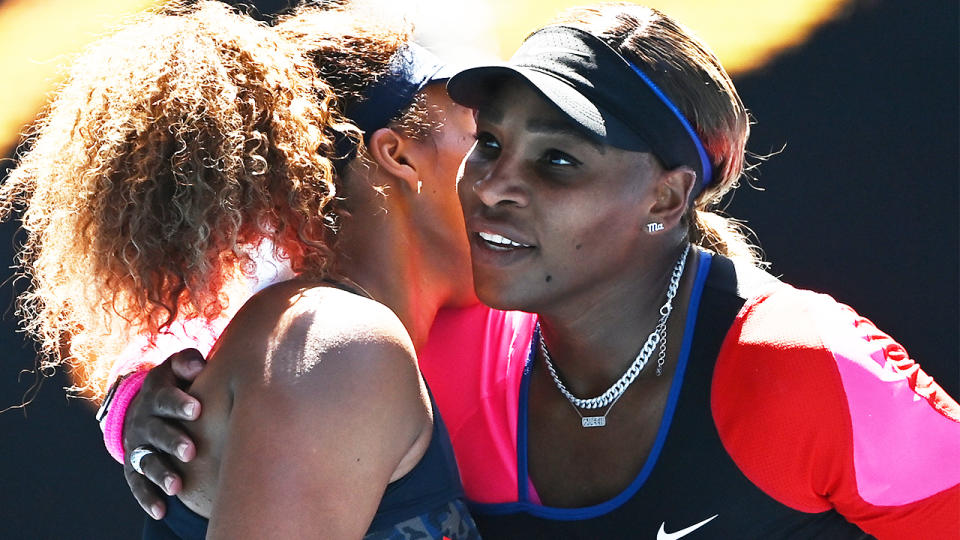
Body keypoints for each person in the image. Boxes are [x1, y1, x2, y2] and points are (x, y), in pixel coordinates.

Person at [108, 3, 960, 539]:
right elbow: (283, 370)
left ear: (666, 200)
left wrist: (139, 414)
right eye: (489, 143)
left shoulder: (806, 368)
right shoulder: (408, 352)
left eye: (557, 163)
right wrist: (148, 409)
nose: (494, 185)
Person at [1, 2, 481, 538]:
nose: (508, 174)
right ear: (399, 157)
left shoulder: (324, 346)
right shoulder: (338, 347)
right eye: (482, 136)